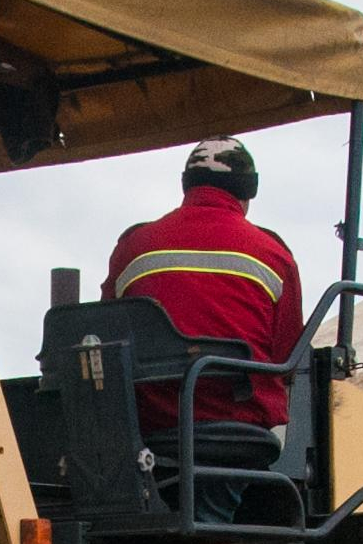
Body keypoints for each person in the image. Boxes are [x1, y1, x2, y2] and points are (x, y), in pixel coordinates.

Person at [104, 136, 306, 520]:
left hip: (148, 432)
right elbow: (285, 357)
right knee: (207, 534)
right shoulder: (272, 254)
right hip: (231, 435)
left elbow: (105, 332)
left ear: (187, 184)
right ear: (248, 191)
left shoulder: (134, 246)